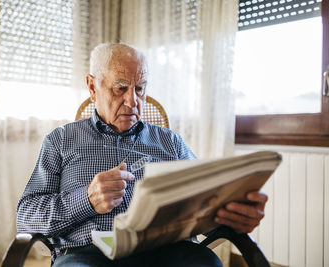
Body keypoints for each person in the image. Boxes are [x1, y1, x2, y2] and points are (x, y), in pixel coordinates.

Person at [16, 43, 267, 267]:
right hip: (87, 253)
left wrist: (233, 215)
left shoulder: (171, 142)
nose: (132, 101)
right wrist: (86, 200)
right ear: (93, 87)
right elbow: (26, 217)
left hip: (169, 251)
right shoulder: (60, 140)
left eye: (140, 88)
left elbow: (203, 204)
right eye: (120, 88)